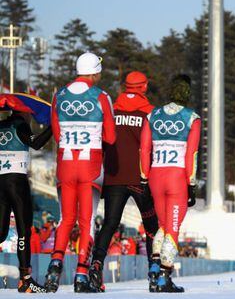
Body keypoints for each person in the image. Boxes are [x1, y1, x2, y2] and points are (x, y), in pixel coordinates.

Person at [44, 52, 116, 293]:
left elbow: (56, 134)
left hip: (65, 163)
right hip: (90, 166)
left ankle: (54, 266)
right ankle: (81, 275)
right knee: (86, 222)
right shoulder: (102, 96)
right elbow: (111, 137)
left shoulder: (59, 96)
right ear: (95, 71)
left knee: (66, 220)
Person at [89, 71, 158, 292]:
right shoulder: (150, 113)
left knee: (109, 224)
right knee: (151, 228)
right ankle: (155, 272)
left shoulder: (111, 108)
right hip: (141, 178)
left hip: (114, 176)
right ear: (143, 87)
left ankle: (96, 265)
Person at [140, 74, 201, 292]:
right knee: (173, 229)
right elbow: (191, 155)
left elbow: (144, 149)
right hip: (176, 179)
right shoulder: (192, 118)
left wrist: (144, 179)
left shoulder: (152, 115)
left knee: (163, 226)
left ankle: (154, 270)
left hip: (155, 175)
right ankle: (165, 277)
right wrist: (191, 185)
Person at [0, 98, 52, 293]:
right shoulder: (20, 125)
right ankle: (26, 280)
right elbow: (37, 143)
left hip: (0, 183)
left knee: (1, 233)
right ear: (24, 112)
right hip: (16, 182)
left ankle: (26, 279)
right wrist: (53, 127)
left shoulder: (1, 125)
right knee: (23, 231)